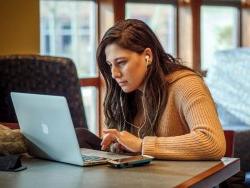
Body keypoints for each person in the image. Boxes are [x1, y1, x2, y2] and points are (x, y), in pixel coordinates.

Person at [96, 19, 226, 160]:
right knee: (82, 136)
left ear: (148, 56)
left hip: (187, 180)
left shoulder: (187, 84)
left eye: (121, 62)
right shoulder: (126, 93)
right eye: (110, 65)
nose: (114, 74)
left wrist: (141, 146)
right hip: (146, 179)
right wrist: (117, 144)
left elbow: (212, 142)